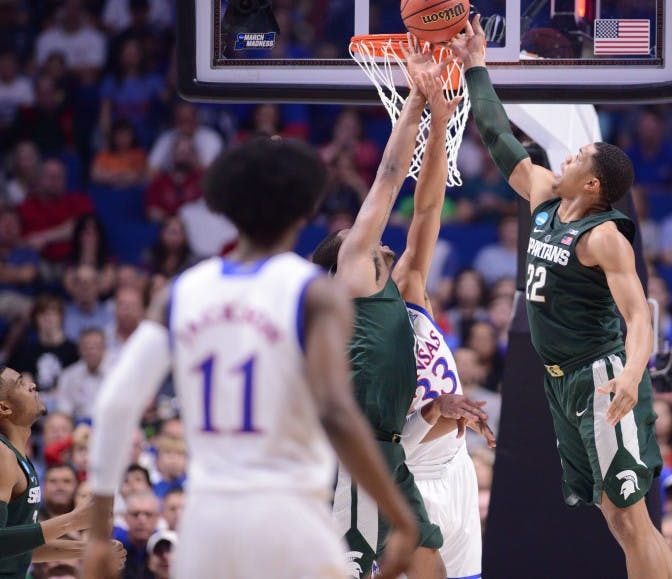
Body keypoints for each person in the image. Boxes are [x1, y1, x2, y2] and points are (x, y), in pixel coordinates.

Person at [82, 138, 420, 579]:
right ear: (304, 212)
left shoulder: (179, 292)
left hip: (206, 523)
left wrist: (96, 532)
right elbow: (337, 412)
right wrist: (401, 518)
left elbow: (114, 404)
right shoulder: (313, 292)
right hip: (287, 511)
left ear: (223, 206)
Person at [451, 15, 672, 579]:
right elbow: (497, 134)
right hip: (560, 378)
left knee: (631, 519)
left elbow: (638, 315)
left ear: (593, 185)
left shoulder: (605, 236)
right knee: (612, 512)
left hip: (602, 375)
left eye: (580, 157)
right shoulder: (543, 198)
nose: (568, 156)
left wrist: (631, 375)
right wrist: (476, 67)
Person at [311, 46, 486, 579]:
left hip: (452, 468)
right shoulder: (353, 294)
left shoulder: (407, 288)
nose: (367, 241)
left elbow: (428, 207)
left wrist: (441, 123)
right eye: (352, 241)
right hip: (395, 457)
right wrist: (414, 102)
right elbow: (388, 178)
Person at [0, 367, 118, 578]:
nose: (32, 385)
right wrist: (73, 520)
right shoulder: (2, 455)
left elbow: (17, 547)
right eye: (20, 383)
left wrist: (86, 550)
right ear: (4, 407)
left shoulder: (17, 455)